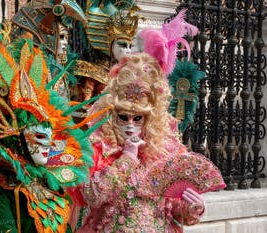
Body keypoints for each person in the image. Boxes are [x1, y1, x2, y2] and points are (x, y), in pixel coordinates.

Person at [69, 10, 225, 233]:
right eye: (123, 117)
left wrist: (192, 208)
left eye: (138, 118)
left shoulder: (166, 151)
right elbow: (93, 196)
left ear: (150, 119)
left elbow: (175, 209)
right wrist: (127, 159)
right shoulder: (100, 148)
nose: (130, 124)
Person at [0, 13, 99, 233]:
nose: (47, 146)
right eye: (38, 137)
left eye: (48, 137)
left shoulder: (49, 185)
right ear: (16, 139)